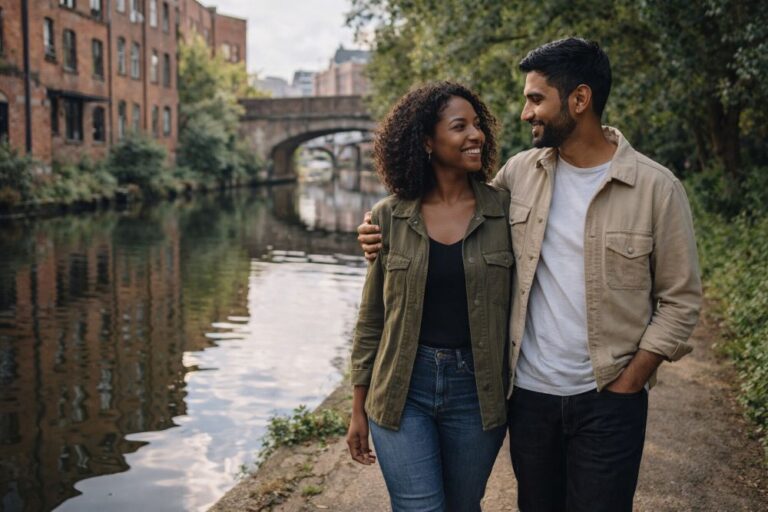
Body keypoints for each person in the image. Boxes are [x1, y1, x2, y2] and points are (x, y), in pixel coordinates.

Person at [357, 38, 702, 512]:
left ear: (579, 100)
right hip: (531, 397)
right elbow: (449, 205)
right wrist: (376, 231)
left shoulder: (656, 189)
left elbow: (681, 300)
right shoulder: (520, 176)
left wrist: (633, 378)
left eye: (536, 98)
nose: (525, 113)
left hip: (608, 397)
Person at [346, 81, 513, 512]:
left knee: (463, 505)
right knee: (418, 507)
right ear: (426, 141)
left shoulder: (506, 212)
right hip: (403, 388)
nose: (475, 135)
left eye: (477, 125)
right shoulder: (389, 216)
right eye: (460, 127)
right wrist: (357, 408)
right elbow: (372, 319)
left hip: (477, 389)